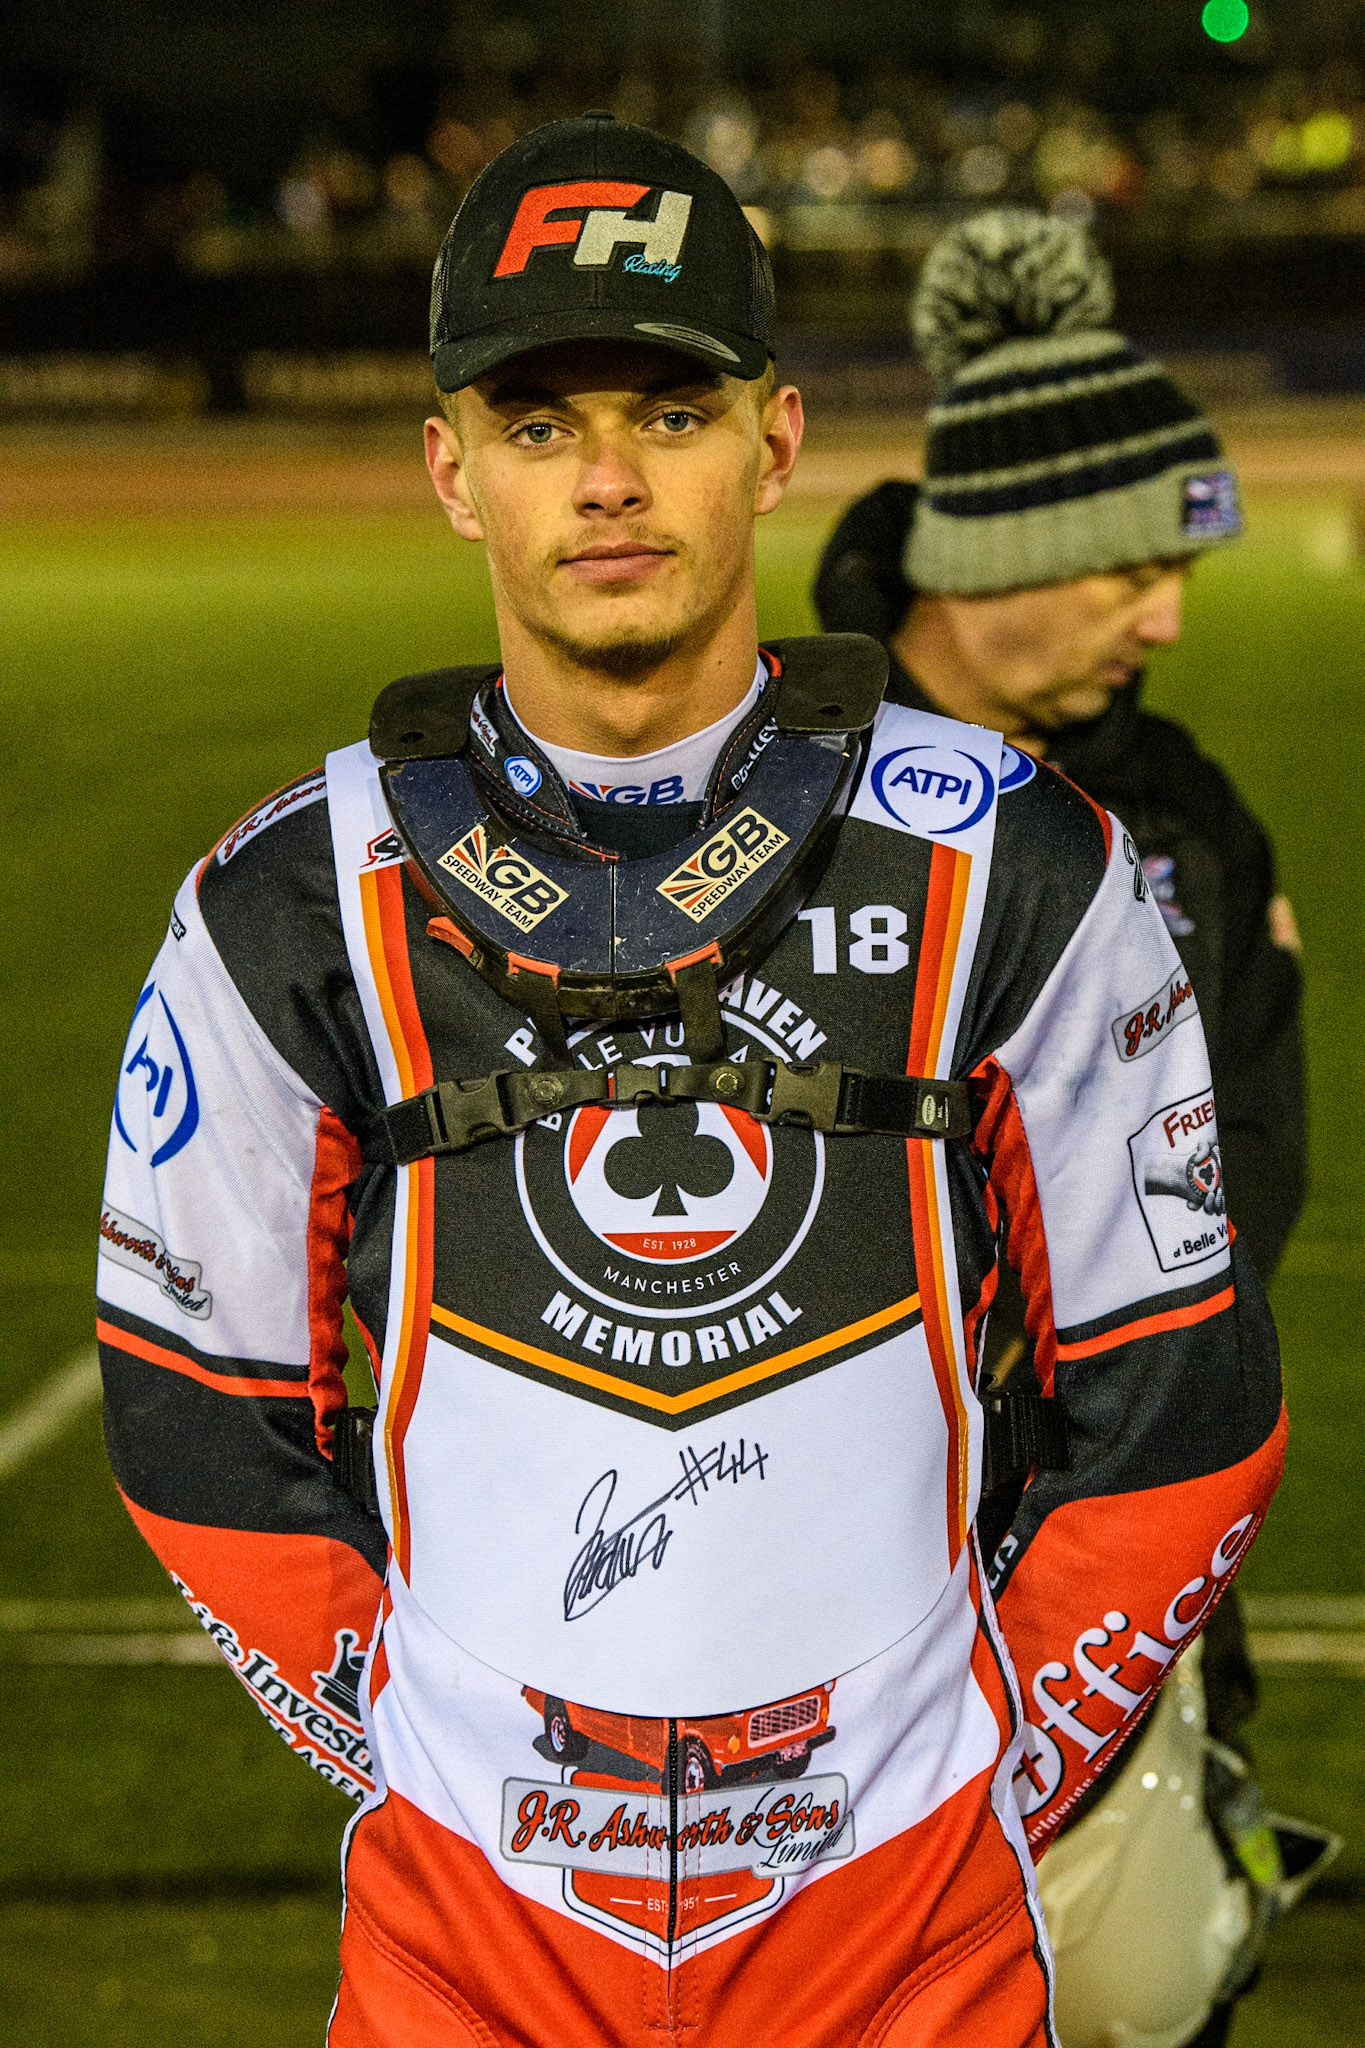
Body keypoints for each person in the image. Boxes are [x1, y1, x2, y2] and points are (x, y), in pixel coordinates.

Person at [97, 126, 1284, 2048]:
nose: (614, 481)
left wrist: (982, 1767)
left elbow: (1184, 1411)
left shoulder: (1017, 863)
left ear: (781, 438)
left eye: (671, 409)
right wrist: (423, 1756)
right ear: (449, 470)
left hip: (915, 1945)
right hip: (457, 1959)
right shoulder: (283, 902)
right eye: (540, 423)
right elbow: (195, 1417)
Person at [813, 208, 1310, 2048]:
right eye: (1115, 566)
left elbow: (1240, 1169)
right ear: (989, 549)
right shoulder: (767, 779)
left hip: (1122, 1595)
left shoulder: (1183, 816)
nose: (1163, 615)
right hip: (805, 1614)